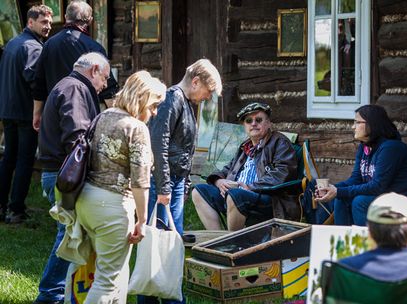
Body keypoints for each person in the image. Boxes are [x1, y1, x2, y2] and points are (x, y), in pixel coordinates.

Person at [76, 70, 166, 302]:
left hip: (86, 201)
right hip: (112, 205)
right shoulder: (136, 128)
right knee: (107, 280)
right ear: (142, 97)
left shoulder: (103, 116)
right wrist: (142, 220)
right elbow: (140, 181)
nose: (154, 112)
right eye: (154, 105)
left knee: (116, 276)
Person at [139, 59, 222, 304]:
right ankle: (156, 298)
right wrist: (164, 186)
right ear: (195, 82)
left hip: (173, 182)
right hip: (161, 183)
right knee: (157, 245)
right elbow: (158, 143)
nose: (207, 98)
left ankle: (172, 296)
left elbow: (183, 149)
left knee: (171, 244)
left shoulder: (186, 103)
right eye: (207, 92)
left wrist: (182, 185)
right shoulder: (172, 98)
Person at [34, 52, 110, 304]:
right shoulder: (76, 88)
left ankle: (62, 293)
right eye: (105, 78)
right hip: (63, 175)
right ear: (94, 69)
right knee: (68, 236)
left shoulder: (70, 85)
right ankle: (49, 295)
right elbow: (77, 137)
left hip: (59, 173)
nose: (105, 86)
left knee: (70, 235)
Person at [315, 104, 407, 226]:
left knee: (360, 202)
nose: (353, 126)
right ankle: (344, 241)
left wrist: (338, 191)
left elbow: (378, 186)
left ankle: (367, 243)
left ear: (372, 124)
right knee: (341, 199)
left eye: (357, 122)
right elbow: (356, 179)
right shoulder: (365, 146)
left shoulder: (391, 148)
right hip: (388, 199)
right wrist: (331, 189)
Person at [192, 102, 298, 231]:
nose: (253, 123)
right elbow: (228, 169)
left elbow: (283, 173)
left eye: (258, 120)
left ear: (268, 123)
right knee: (198, 191)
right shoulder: (245, 147)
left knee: (235, 195)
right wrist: (219, 181)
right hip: (237, 194)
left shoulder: (279, 142)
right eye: (249, 121)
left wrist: (249, 187)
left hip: (268, 198)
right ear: (244, 126)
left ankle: (233, 243)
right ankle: (218, 238)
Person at [0, 5, 53, 223]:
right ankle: (16, 210)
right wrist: (41, 110)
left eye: (50, 22)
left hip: (8, 111)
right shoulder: (33, 47)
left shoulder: (13, 43)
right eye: (43, 22)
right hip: (25, 113)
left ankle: (2, 206)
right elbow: (34, 81)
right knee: (24, 160)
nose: (48, 26)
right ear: (30, 22)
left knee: (8, 159)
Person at [31, 0, 118, 132]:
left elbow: (39, 83)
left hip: (54, 113)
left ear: (66, 18)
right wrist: (115, 118)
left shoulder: (48, 45)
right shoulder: (94, 47)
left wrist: (37, 114)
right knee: (78, 151)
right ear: (90, 21)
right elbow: (108, 87)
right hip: (83, 116)